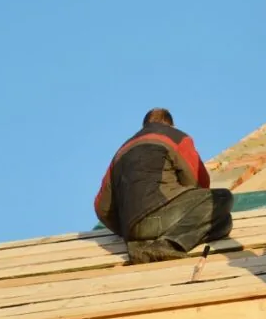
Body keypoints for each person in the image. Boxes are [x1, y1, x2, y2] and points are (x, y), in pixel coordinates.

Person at [94, 108, 234, 265]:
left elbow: (102, 207)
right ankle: (166, 244)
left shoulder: (121, 151)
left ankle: (143, 245)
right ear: (171, 125)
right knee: (221, 199)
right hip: (162, 215)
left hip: (131, 231)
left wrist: (126, 229)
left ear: (144, 126)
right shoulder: (176, 137)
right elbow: (199, 182)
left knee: (224, 223)